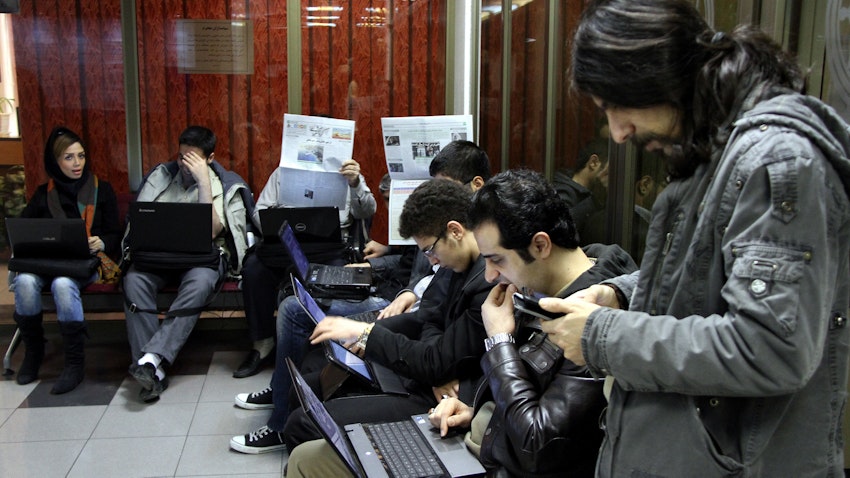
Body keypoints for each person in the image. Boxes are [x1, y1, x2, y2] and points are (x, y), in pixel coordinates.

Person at [538, 1, 850, 476]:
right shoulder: (716, 151)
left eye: (616, 106)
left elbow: (769, 348)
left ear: (655, 77)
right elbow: (707, 270)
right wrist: (622, 293)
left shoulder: (778, 162)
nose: (618, 133)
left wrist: (603, 337)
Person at [285, 169, 638, 477]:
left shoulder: (588, 318)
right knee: (311, 450)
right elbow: (435, 322)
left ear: (541, 245)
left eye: (497, 259)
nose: (489, 275)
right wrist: (472, 407)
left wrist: (499, 343)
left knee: (309, 455)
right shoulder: (537, 290)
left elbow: (537, 446)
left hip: (496, 460)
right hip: (480, 435)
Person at [230, 143, 492, 454]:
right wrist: (377, 335)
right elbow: (429, 319)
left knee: (303, 422)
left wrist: (368, 334)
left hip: (435, 398)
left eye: (430, 250)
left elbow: (435, 353)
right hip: (428, 375)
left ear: (457, 231)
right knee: (310, 383)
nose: (431, 261)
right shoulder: (455, 262)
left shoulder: (485, 280)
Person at [124, 125, 253, 403]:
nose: (185, 164)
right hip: (159, 256)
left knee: (201, 282)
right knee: (133, 280)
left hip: (201, 259)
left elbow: (211, 232)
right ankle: (152, 367)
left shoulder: (223, 183)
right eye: (182, 157)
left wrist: (203, 182)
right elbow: (139, 222)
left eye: (192, 159)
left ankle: (151, 360)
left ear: (209, 158)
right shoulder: (161, 177)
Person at [233, 157, 376, 378]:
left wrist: (355, 182)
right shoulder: (282, 173)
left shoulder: (347, 174)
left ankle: (318, 345)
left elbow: (367, 212)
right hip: (283, 245)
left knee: (332, 281)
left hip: (329, 248)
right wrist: (278, 221)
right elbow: (258, 213)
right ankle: (263, 343)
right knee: (253, 270)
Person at [11, 126, 122, 394]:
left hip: (86, 264)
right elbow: (22, 232)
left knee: (63, 284)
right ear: (55, 161)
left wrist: (102, 241)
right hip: (47, 263)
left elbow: (117, 233)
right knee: (24, 281)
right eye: (69, 157)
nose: (77, 163)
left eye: (81, 156)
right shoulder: (43, 194)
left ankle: (74, 364)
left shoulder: (100, 189)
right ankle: (34, 352)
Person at [553, 137, 609, 239]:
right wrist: (595, 199)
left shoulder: (593, 192)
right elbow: (561, 232)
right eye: (609, 172)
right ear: (594, 162)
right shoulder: (562, 191)